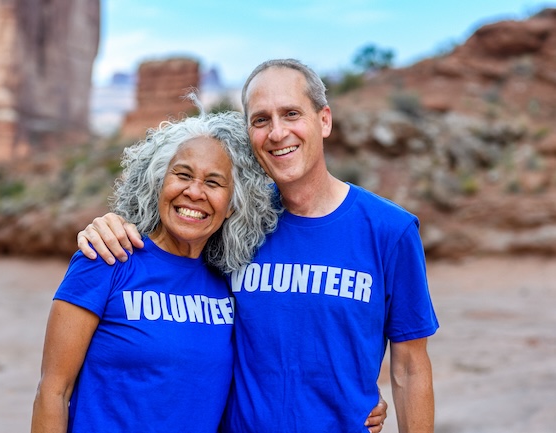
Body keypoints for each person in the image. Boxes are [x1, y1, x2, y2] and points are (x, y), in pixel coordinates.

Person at [79, 59, 432, 433]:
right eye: (261, 120)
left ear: (324, 120)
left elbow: (410, 368)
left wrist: (358, 395)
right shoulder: (235, 220)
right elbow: (169, 243)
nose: (277, 133)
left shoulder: (390, 231)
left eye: (291, 114)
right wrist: (108, 226)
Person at [31, 106, 281, 432]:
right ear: (158, 182)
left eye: (214, 182)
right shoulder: (107, 258)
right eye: (183, 174)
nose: (194, 192)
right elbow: (53, 392)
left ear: (233, 205)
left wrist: (365, 399)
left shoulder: (232, 282)